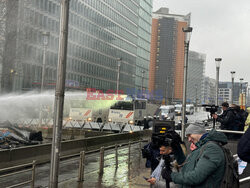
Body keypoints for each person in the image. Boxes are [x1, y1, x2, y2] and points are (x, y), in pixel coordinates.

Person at [162, 123, 227, 188]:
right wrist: (177, 148)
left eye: (189, 135)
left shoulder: (212, 149)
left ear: (197, 132)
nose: (189, 140)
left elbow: (196, 177)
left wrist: (172, 176)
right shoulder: (201, 147)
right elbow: (186, 166)